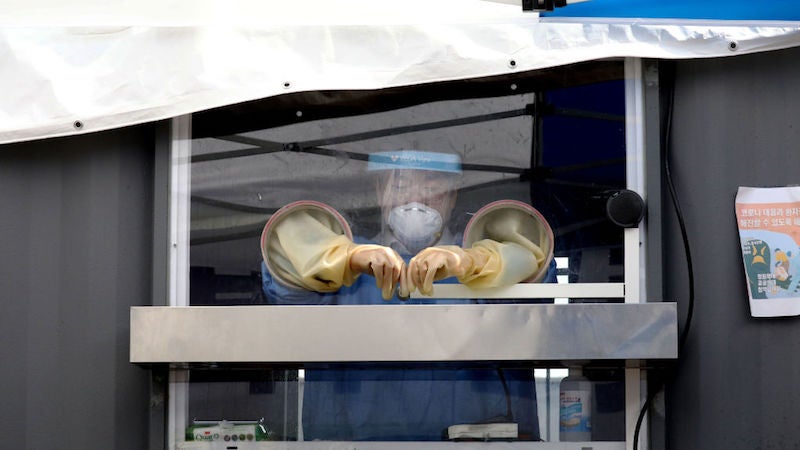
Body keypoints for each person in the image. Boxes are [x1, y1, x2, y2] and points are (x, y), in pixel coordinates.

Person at [260, 150, 555, 441]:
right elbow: (285, 267)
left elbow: (535, 266)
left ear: (453, 195)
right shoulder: (337, 270)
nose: (417, 198)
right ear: (379, 191)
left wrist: (475, 261)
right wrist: (346, 257)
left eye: (432, 186)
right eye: (401, 185)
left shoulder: (485, 259)